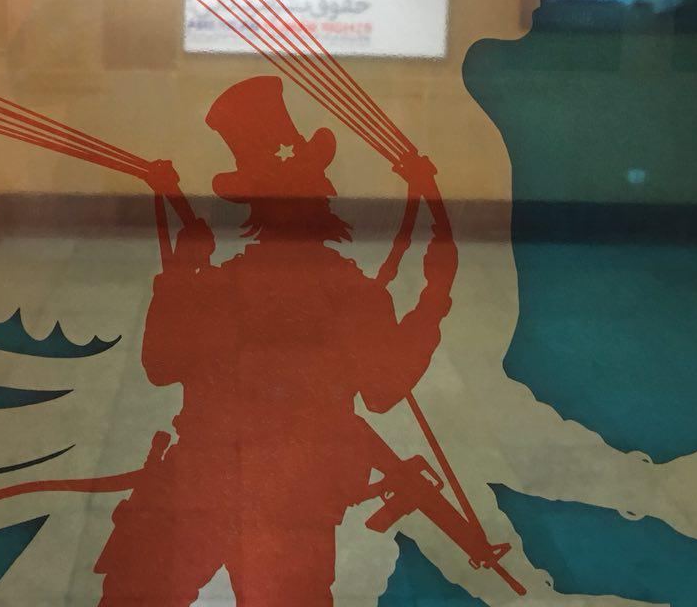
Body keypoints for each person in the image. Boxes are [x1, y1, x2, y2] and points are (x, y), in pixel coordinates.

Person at [95, 75, 457, 605]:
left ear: (254, 207)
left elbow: (161, 364)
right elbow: (383, 391)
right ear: (324, 198)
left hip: (202, 484)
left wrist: (182, 271)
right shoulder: (353, 294)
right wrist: (434, 292)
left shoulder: (218, 286)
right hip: (293, 503)